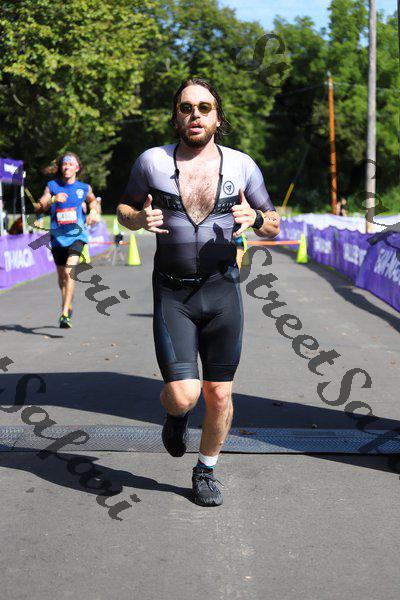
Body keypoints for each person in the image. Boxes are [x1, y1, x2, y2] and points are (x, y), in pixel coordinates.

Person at [117, 78, 280, 506]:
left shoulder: (242, 165)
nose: (195, 115)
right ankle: (175, 417)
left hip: (222, 290)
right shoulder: (152, 162)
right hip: (173, 294)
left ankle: (205, 470)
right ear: (176, 116)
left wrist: (256, 218)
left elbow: (274, 222)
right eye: (186, 107)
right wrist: (137, 220)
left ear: (217, 117)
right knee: (184, 394)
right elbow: (124, 208)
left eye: (204, 108)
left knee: (219, 393)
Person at [33, 152, 99, 328]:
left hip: (77, 237)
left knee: (70, 273)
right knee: (62, 278)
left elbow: (93, 202)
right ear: (61, 168)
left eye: (70, 164)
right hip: (57, 239)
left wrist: (93, 211)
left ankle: (64, 314)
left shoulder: (84, 188)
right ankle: (67, 305)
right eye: (64, 164)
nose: (67, 166)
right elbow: (39, 207)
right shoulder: (52, 186)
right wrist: (53, 199)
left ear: (77, 168)